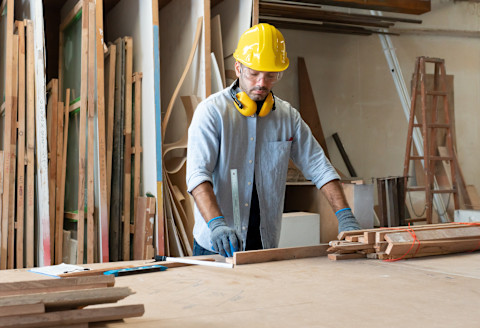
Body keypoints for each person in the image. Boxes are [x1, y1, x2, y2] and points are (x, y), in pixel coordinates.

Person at [186, 23, 361, 257]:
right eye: (254, 73)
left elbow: (320, 167)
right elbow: (198, 176)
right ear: (238, 68)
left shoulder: (287, 117)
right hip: (216, 243)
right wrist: (217, 224)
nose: (261, 83)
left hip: (264, 242)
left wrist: (345, 217)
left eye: (270, 75)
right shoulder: (212, 112)